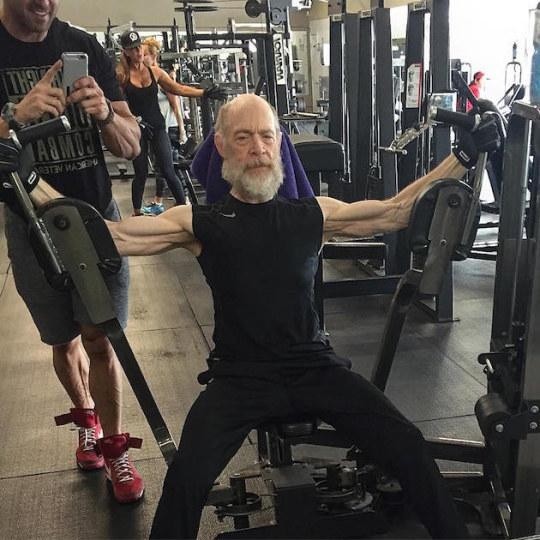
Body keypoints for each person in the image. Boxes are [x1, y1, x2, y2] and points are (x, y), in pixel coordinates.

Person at [0, 94, 501, 537]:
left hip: (315, 368)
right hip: (239, 378)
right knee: (186, 480)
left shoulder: (312, 213)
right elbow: (106, 235)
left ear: (279, 145)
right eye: (243, 138)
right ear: (221, 148)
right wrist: (27, 181)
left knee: (409, 445)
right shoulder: (200, 222)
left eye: (267, 137)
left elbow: (396, 210)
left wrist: (463, 156)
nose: (258, 148)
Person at [0, 0, 145, 504]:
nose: (43, 3)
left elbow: (131, 146)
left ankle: (114, 447)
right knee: (62, 340)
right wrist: (12, 118)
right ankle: (86, 416)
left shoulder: (83, 47)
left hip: (93, 219)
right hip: (30, 226)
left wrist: (104, 114)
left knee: (100, 338)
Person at [116, 30, 226, 216]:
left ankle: (184, 209)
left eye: (139, 47)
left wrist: (204, 93)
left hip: (158, 126)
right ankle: (136, 213)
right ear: (126, 52)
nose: (138, 52)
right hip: (137, 129)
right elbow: (117, 104)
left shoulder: (154, 72)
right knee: (141, 173)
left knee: (168, 170)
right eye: (133, 49)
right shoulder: (122, 76)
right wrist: (134, 120)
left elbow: (178, 89)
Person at [143, 37, 187, 215]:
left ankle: (183, 202)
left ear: (153, 57)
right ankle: (160, 201)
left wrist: (182, 130)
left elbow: (176, 105)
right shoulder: (148, 78)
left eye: (145, 55)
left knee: (170, 167)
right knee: (161, 167)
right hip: (160, 129)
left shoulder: (162, 77)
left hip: (171, 128)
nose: (141, 58)